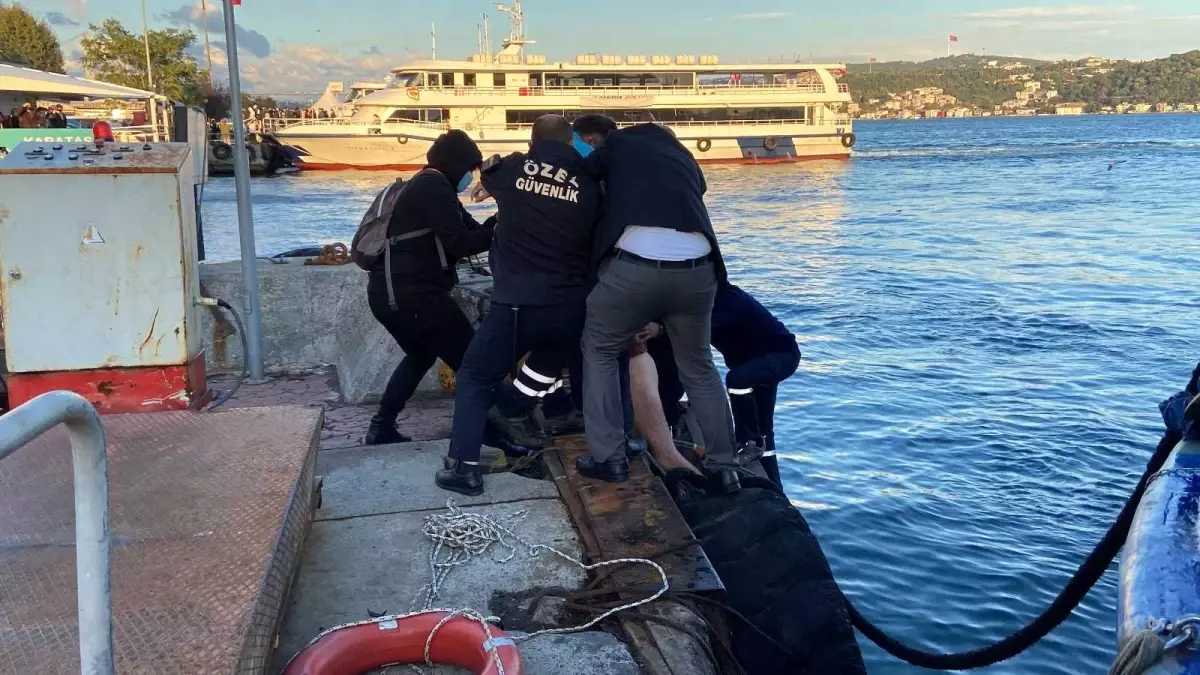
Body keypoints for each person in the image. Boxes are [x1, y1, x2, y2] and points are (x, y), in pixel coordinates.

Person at [573, 114, 741, 492]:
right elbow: (698, 190)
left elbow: (584, 176)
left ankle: (609, 458)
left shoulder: (617, 143)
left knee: (599, 348)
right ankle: (724, 467)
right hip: (700, 268)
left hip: (635, 265)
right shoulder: (682, 155)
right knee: (699, 366)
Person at [435, 115, 602, 495]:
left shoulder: (510, 169)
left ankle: (463, 467)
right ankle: (520, 409)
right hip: (571, 306)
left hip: (517, 303)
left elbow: (487, 179)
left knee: (476, 375)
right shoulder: (590, 183)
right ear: (573, 141)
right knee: (552, 358)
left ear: (532, 140)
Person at [365, 130, 495, 446]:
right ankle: (491, 435)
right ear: (456, 164)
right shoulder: (432, 188)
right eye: (470, 168)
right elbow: (463, 243)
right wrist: (502, 224)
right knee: (473, 363)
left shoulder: (430, 186)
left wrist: (496, 222)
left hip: (389, 294)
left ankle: (381, 426)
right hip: (415, 297)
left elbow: (473, 231)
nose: (471, 176)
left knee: (421, 355)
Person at [632, 283, 800, 487]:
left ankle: (745, 443)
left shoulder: (729, 299)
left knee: (738, 381)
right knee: (764, 428)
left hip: (780, 355)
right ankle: (774, 485)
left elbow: (698, 330)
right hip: (752, 362)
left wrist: (659, 329)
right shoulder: (697, 302)